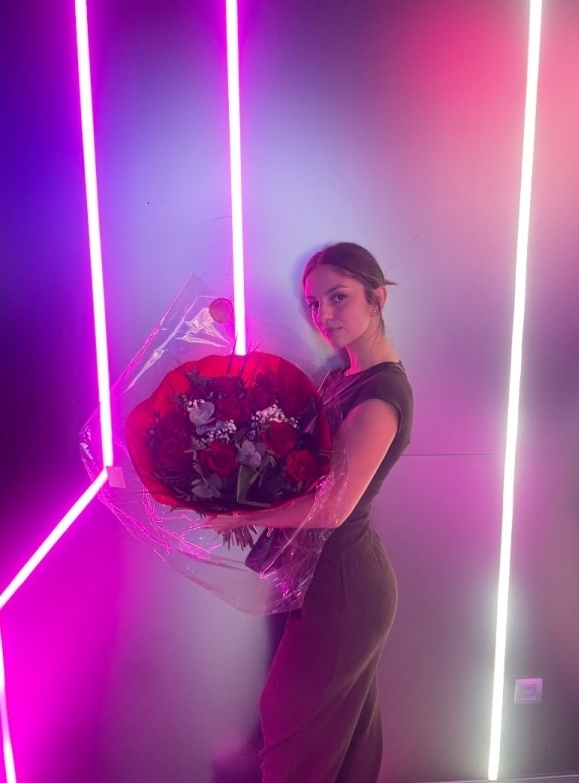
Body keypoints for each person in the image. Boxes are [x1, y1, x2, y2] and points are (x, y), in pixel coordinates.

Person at [214, 241, 413, 783]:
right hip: (320, 578)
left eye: (338, 297)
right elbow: (302, 461)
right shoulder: (341, 377)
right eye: (313, 303)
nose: (323, 315)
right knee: (340, 738)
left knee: (290, 731)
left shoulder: (381, 394)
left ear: (377, 298)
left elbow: (333, 507)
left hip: (344, 586)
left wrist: (240, 516)